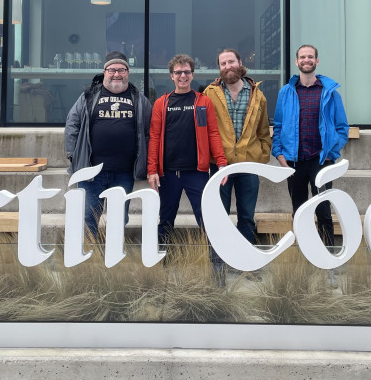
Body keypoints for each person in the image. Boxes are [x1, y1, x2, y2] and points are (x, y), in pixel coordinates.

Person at [64, 51, 152, 239]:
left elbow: (149, 132)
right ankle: (89, 260)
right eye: (112, 69)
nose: (117, 74)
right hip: (91, 173)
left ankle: (113, 259)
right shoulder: (89, 96)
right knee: (88, 216)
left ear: (128, 72)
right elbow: (72, 124)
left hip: (124, 172)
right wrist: (72, 155)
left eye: (121, 69)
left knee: (119, 218)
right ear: (104, 72)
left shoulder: (139, 99)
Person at [271, 44, 349, 247]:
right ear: (297, 62)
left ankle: (328, 256)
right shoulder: (286, 93)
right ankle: (305, 253)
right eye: (302, 57)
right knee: (298, 211)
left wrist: (331, 153)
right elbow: (277, 127)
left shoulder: (330, 93)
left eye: (310, 57)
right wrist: (279, 156)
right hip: (293, 161)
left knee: (323, 210)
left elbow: (342, 128)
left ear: (317, 61)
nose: (307, 60)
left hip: (321, 161)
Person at [148, 54, 228, 244]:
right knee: (165, 219)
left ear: (192, 75)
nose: (182, 76)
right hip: (168, 174)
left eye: (186, 72)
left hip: (196, 172)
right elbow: (154, 137)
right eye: (178, 72)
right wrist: (152, 170)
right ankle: (164, 262)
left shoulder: (202, 102)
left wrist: (222, 163)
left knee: (206, 218)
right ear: (171, 76)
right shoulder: (162, 103)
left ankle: (215, 264)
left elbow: (213, 134)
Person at [203, 48, 271, 244]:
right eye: (223, 64)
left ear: (240, 63)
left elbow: (264, 132)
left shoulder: (258, 95)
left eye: (231, 62)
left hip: (248, 164)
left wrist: (260, 156)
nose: (227, 67)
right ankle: (220, 264)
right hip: (219, 165)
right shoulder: (210, 94)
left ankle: (247, 263)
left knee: (247, 217)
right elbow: (205, 130)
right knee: (219, 216)